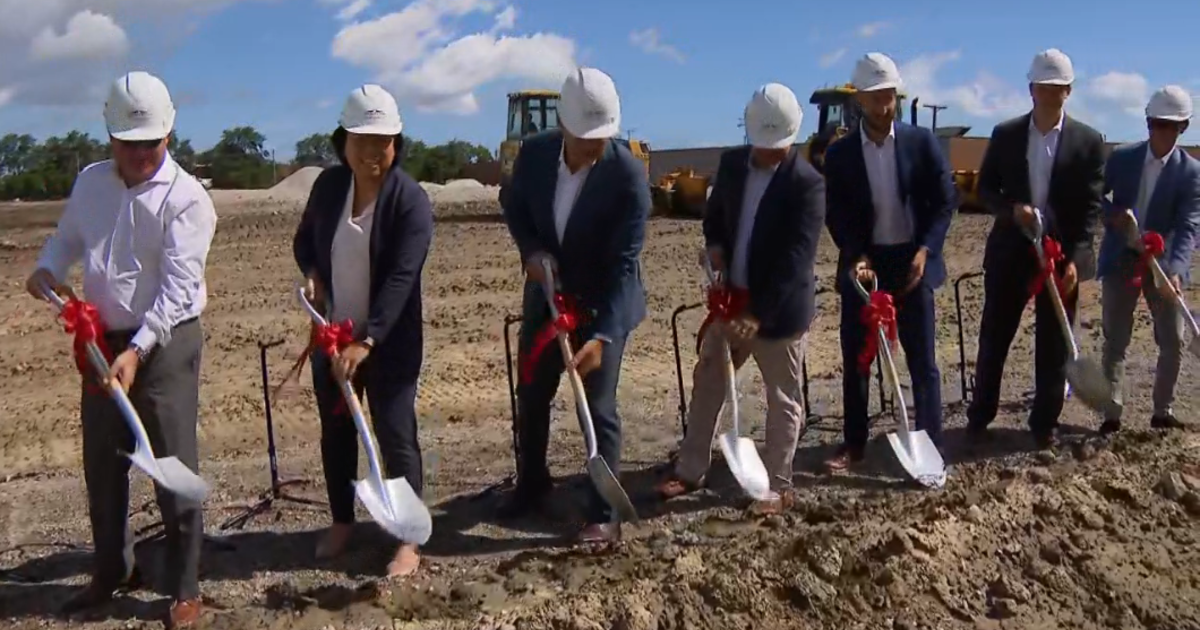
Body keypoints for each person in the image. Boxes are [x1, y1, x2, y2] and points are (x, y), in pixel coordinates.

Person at [24, 71, 216, 628]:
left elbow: (180, 288)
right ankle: (112, 571)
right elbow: (68, 237)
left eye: (151, 144)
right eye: (130, 145)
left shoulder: (187, 199)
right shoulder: (90, 184)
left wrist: (138, 349)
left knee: (171, 463)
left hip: (168, 340)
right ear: (110, 137)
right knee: (103, 464)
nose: (141, 155)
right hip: (102, 341)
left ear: (169, 134)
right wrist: (47, 268)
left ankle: (184, 587)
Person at [654, 83, 825, 511]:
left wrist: (760, 313)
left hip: (779, 312)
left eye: (779, 146)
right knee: (709, 379)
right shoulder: (731, 165)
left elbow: (796, 259)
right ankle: (690, 470)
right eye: (765, 146)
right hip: (731, 300)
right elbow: (715, 221)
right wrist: (715, 249)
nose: (771, 154)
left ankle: (778, 484)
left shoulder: (808, 184)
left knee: (782, 398)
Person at [499, 66, 651, 544]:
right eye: (586, 138)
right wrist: (530, 252)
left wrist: (604, 335)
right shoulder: (536, 155)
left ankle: (603, 511)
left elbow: (625, 264)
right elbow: (515, 205)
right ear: (563, 126)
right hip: (548, 293)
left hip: (605, 299)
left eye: (603, 137)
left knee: (597, 404)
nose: (595, 148)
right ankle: (532, 483)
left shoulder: (627, 175)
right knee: (533, 393)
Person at [292, 84, 434, 577]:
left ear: (397, 142)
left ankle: (408, 538)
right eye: (362, 141)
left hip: (388, 341)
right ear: (343, 141)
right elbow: (305, 240)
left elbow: (400, 279)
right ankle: (342, 521)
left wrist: (367, 340)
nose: (373, 152)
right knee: (336, 432)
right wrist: (312, 272)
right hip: (332, 336)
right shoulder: (329, 188)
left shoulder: (410, 202)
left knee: (395, 435)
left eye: (384, 141)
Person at [822, 52, 958, 471]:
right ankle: (855, 444)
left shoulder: (921, 143)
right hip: (866, 263)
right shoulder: (841, 154)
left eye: (889, 97)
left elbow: (944, 200)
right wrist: (856, 254)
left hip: (912, 259)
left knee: (923, 361)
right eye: (875, 98)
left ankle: (930, 442)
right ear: (859, 99)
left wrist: (925, 250)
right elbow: (837, 212)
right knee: (858, 358)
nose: (884, 106)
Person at [966, 48, 1106, 449]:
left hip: (1060, 259)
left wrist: (1077, 258)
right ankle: (980, 416)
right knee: (995, 335)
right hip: (1012, 250)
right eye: (1043, 88)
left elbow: (1090, 207)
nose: (1049, 95)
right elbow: (986, 190)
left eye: (1057, 89)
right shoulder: (1006, 134)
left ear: (1069, 91)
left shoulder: (1088, 142)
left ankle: (1044, 421)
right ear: (1031, 90)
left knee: (1054, 342)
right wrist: (1012, 210)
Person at [1096, 85, 1200, 434]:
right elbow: (1098, 198)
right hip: (1121, 259)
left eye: (1170, 125)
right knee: (1115, 339)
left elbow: (1189, 225)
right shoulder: (1123, 158)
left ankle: (1162, 410)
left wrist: (1176, 271)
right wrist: (1114, 217)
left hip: (1164, 264)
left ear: (1183, 127)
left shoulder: (1191, 173)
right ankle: (1111, 413)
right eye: (1157, 123)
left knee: (1173, 338)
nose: (1162, 131)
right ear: (1147, 122)